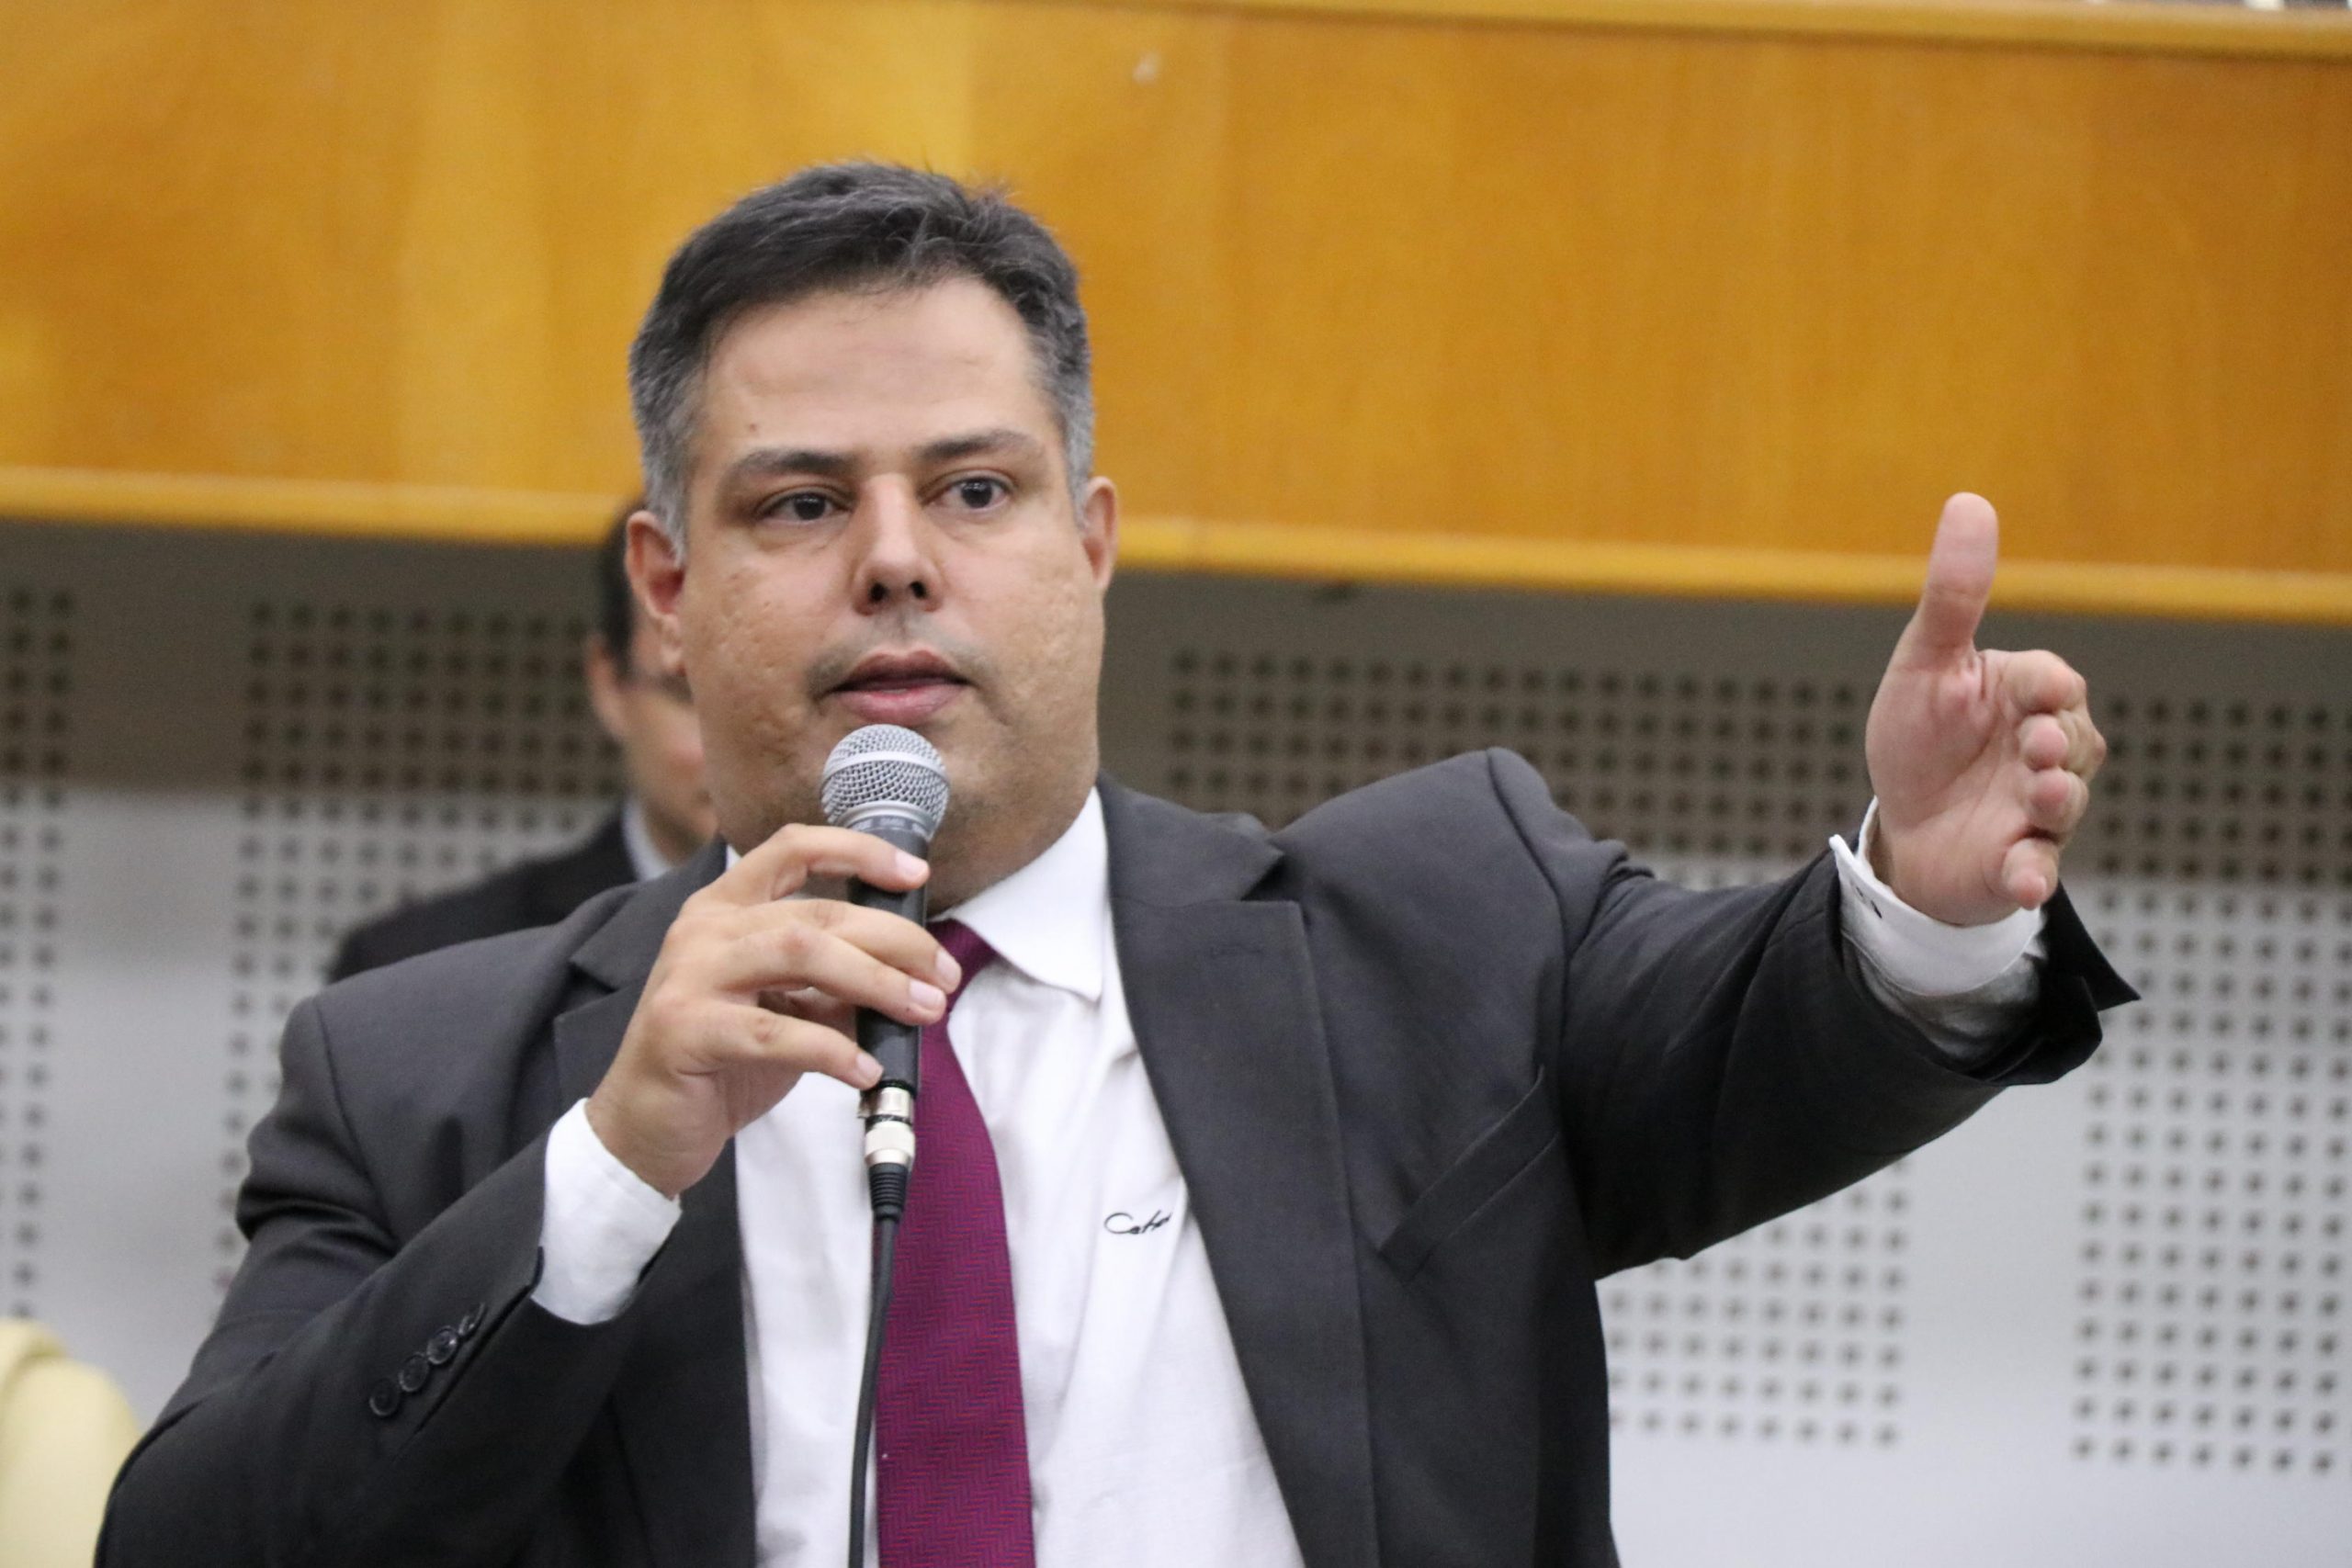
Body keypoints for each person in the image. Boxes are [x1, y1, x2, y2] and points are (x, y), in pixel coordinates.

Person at [102, 164, 2132, 1568]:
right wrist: (617, 1165)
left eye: (972, 488)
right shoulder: (425, 1073)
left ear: (1087, 544)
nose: (895, 558)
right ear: (667, 583)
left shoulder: (1436, 933)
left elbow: (1760, 1041)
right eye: (798, 503)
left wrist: (1927, 897)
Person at [327, 504, 717, 978]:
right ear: (609, 686)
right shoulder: (416, 970)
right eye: (690, 695)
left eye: (774, 693)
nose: (740, 741)